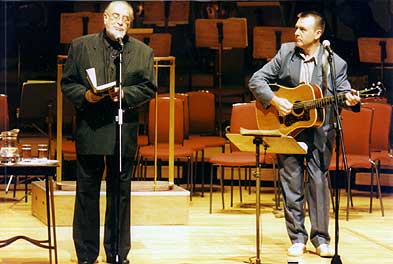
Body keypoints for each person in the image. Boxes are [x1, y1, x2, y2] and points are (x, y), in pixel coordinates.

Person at [249, 11, 360, 257]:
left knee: (319, 182)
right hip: (289, 127)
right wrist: (276, 101)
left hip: (321, 129)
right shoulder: (286, 53)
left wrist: (350, 99)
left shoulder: (334, 62)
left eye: (302, 29)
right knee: (291, 180)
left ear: (318, 34)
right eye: (296, 28)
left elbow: (342, 91)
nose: (296, 32)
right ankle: (297, 237)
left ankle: (321, 239)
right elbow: (257, 80)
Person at [62, 1, 156, 264]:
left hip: (122, 131)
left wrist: (125, 94)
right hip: (90, 128)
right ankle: (86, 254)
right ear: (104, 18)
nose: (121, 22)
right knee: (86, 193)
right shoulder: (81, 46)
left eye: (126, 19)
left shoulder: (141, 51)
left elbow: (149, 88)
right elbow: (68, 83)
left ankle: (116, 253)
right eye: (116, 16)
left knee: (120, 195)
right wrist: (87, 96)